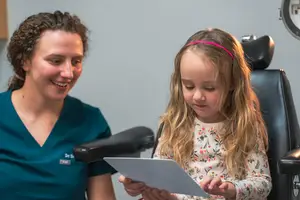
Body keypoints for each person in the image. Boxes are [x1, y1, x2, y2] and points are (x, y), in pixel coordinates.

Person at [119, 28, 272, 200]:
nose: (198, 96)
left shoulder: (244, 126)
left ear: (232, 84)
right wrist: (137, 185)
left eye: (209, 88)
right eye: (189, 86)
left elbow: (262, 184)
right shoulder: (175, 123)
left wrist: (232, 189)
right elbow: (158, 173)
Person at [0, 11, 117, 200]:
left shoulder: (91, 123)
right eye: (56, 60)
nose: (69, 73)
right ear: (25, 61)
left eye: (76, 61)